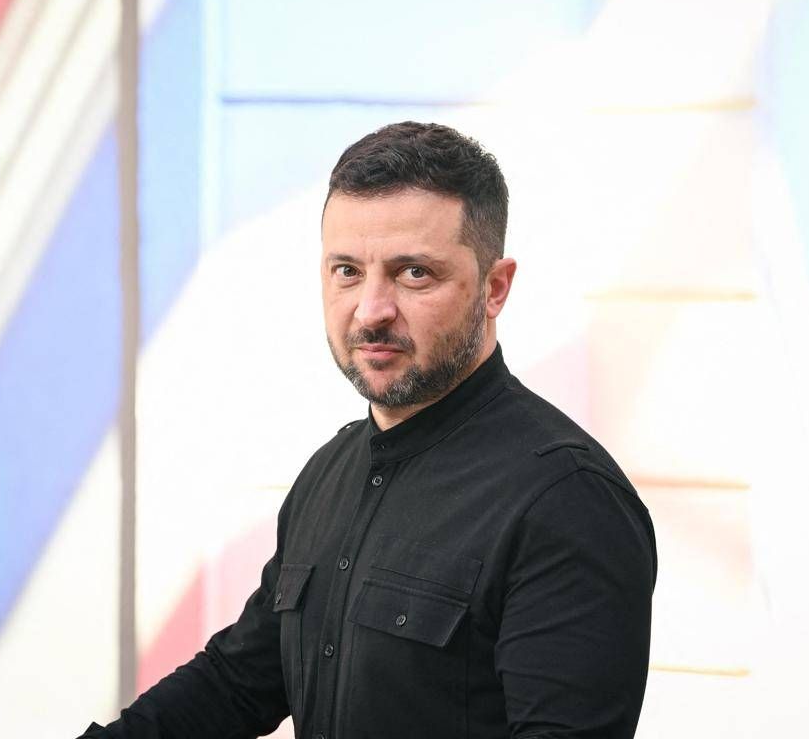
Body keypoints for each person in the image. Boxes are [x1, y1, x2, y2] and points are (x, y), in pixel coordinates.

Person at [79, 121, 657, 739]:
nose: (371, 310)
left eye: (414, 273)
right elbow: (237, 681)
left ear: (495, 288)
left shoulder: (567, 500)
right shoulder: (330, 471)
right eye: (348, 271)